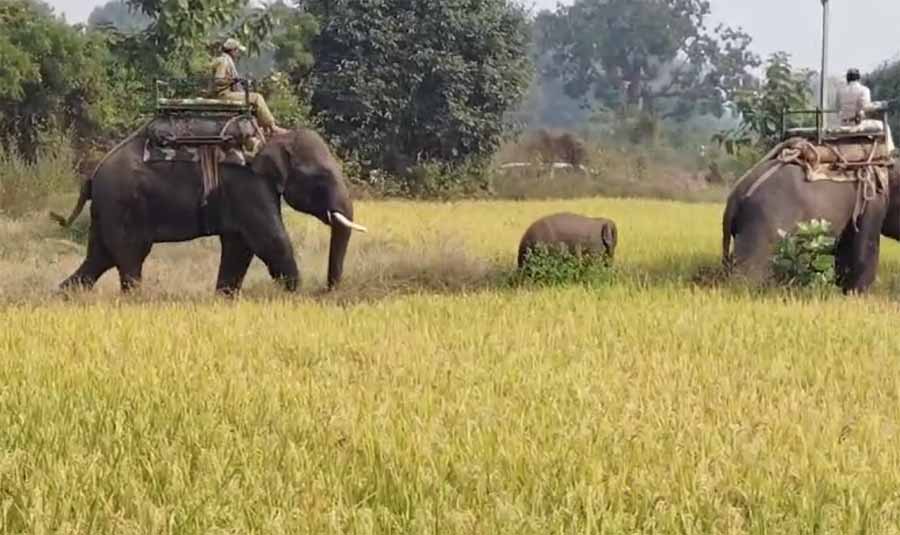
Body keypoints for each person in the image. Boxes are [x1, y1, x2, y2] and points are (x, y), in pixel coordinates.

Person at [211, 38, 288, 136]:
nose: (238, 54)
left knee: (252, 97)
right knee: (257, 97)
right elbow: (218, 80)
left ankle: (263, 126)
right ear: (233, 51)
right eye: (237, 51)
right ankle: (272, 126)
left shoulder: (223, 60)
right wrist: (234, 80)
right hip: (224, 95)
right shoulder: (224, 62)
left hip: (226, 92)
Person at [837, 68, 894, 152]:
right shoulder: (864, 90)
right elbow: (866, 107)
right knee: (885, 126)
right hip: (857, 125)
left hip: (843, 124)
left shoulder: (841, 91)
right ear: (858, 78)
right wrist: (881, 104)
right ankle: (888, 152)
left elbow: (839, 108)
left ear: (847, 79)